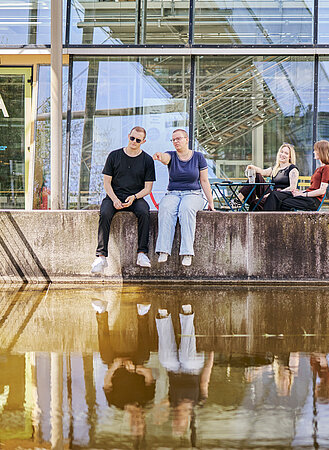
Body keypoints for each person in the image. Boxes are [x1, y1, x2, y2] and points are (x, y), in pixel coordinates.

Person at [92, 126, 156, 274]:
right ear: (128, 136)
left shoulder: (147, 160)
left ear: (143, 141)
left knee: (144, 212)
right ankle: (101, 257)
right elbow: (107, 183)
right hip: (114, 195)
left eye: (138, 140)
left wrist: (134, 197)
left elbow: (148, 189)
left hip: (135, 197)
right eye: (132, 138)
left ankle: (142, 254)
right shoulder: (114, 156)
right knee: (105, 212)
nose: (134, 141)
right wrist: (114, 199)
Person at [92, 299, 155, 445]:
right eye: (140, 423)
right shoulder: (147, 399)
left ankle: (101, 313)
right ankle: (142, 314)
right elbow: (149, 375)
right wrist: (136, 368)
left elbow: (106, 383)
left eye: (134, 424)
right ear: (143, 419)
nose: (136, 420)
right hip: (135, 365)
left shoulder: (116, 403)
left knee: (105, 357)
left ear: (129, 424)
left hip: (117, 366)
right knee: (144, 356)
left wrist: (115, 365)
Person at [153, 129, 215, 267]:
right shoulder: (171, 155)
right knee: (166, 207)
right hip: (173, 193)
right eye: (173, 139)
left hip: (193, 194)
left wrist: (211, 202)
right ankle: (164, 250)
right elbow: (165, 158)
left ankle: (187, 253)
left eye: (178, 139)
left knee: (186, 209)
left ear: (187, 139)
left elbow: (204, 181)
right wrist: (160, 156)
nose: (176, 141)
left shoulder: (198, 157)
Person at [155, 304, 214, 444]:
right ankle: (187, 315)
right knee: (187, 359)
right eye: (179, 424)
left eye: (174, 423)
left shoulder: (172, 403)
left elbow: (158, 406)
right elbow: (204, 381)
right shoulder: (198, 402)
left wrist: (158, 412)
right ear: (186, 421)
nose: (176, 421)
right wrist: (211, 359)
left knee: (166, 360)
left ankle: (164, 316)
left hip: (174, 370)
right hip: (192, 368)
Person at [263, 140, 329, 211]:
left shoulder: (326, 168)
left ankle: (266, 220)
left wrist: (304, 195)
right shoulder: (320, 168)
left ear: (321, 152)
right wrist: (301, 192)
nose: (314, 152)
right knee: (279, 199)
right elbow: (313, 188)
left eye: (316, 150)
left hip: (313, 201)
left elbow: (322, 191)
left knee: (279, 200)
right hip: (309, 198)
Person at [237, 143, 299, 210]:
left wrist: (272, 194)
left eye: (286, 153)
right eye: (281, 152)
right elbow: (262, 171)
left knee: (255, 203)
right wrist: (252, 167)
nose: (283, 154)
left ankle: (241, 204)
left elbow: (292, 188)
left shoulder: (292, 169)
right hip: (272, 194)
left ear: (290, 156)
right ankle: (237, 200)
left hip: (281, 196)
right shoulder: (275, 169)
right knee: (257, 176)